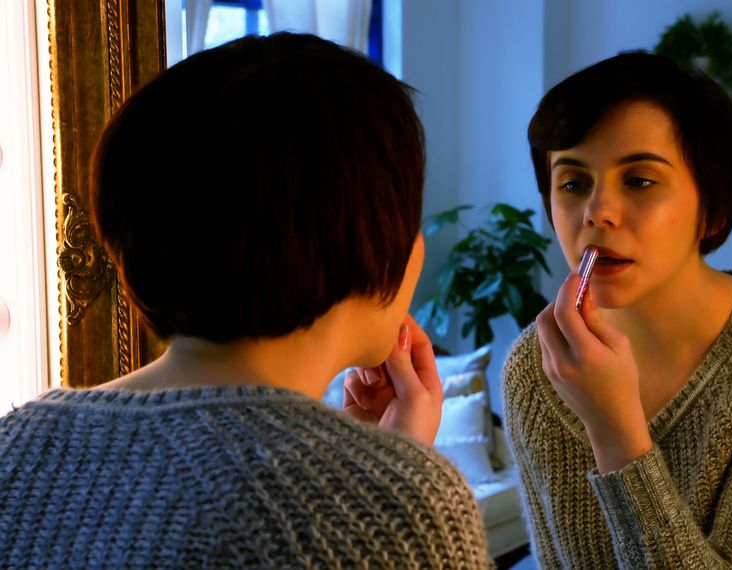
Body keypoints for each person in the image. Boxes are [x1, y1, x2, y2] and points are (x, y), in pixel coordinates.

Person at [0, 33, 489, 568]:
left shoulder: (17, 447)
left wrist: (380, 462)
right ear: (371, 238)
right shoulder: (395, 503)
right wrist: (394, 478)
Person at [501, 52, 732, 569]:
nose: (597, 212)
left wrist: (615, 432)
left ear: (713, 209)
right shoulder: (535, 369)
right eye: (573, 183)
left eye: (639, 180)